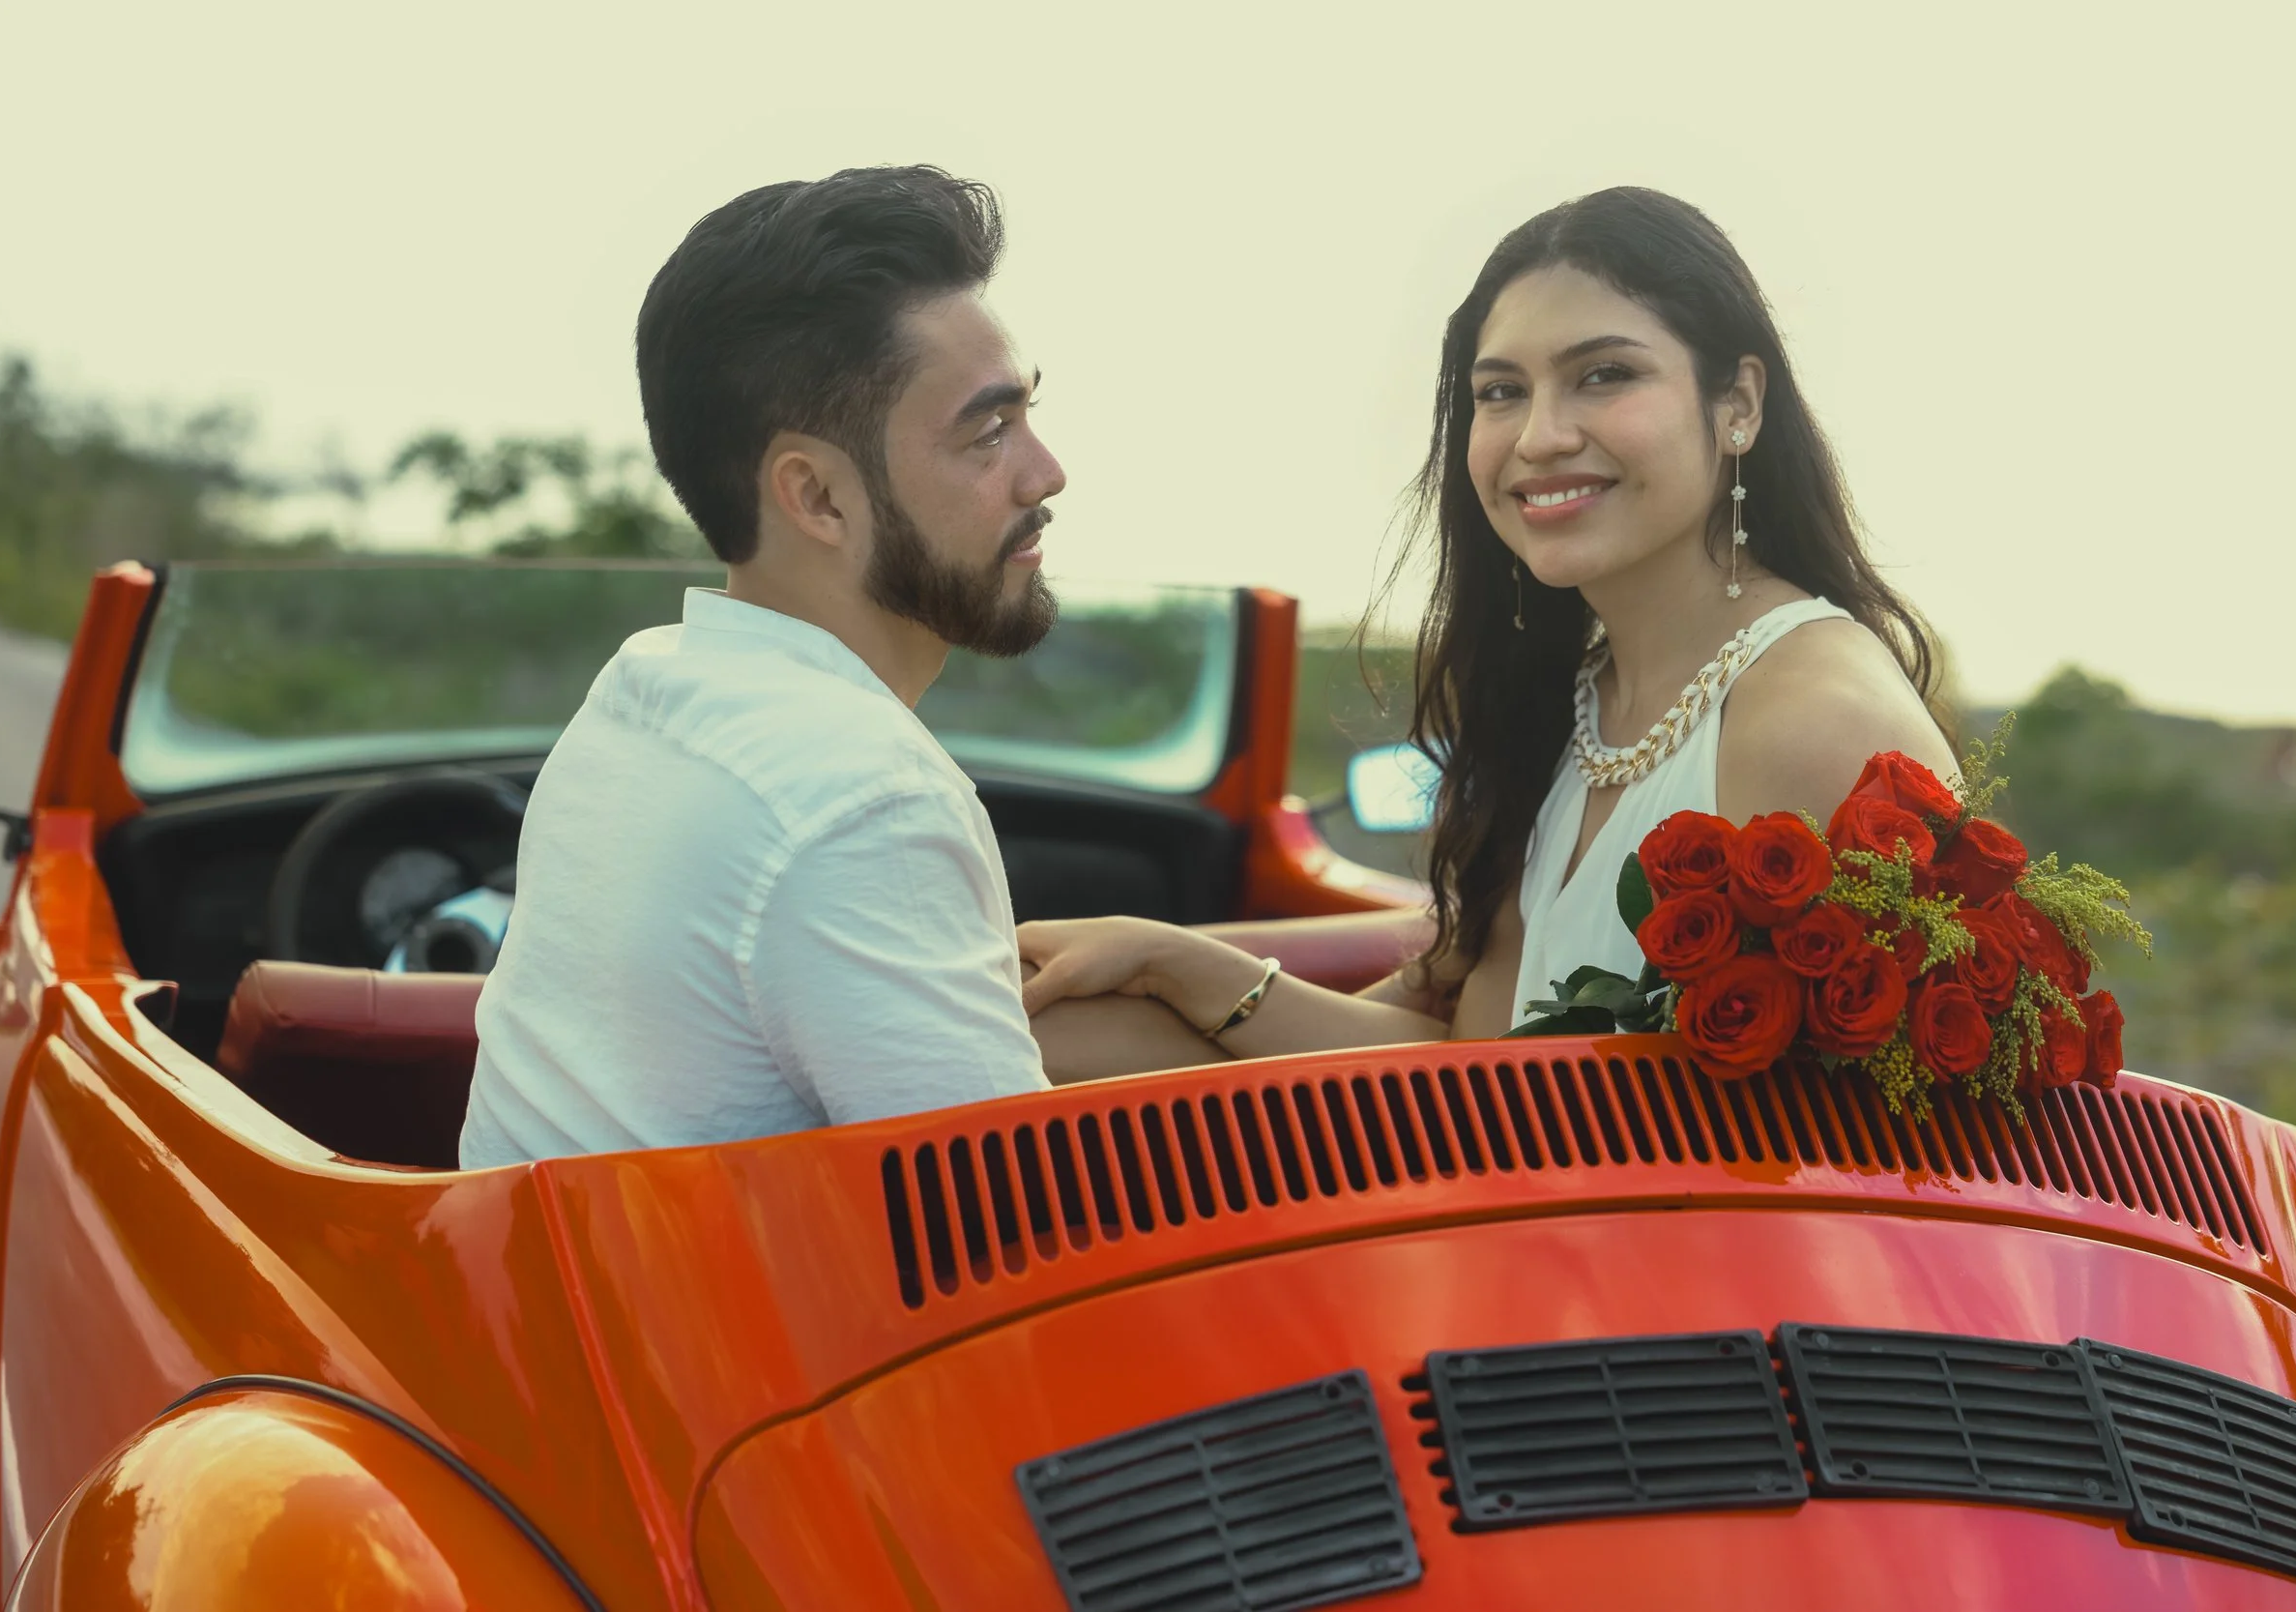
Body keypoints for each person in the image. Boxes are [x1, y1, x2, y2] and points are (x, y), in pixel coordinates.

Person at [1019, 186, 1957, 1075]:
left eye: (1603, 375)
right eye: (1501, 391)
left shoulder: (1813, 719)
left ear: (1738, 404)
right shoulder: (1575, 693)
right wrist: (1172, 960)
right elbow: (1474, 1066)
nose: (1539, 435)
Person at [459, 166, 1064, 1167]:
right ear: (817, 496)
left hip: (553, 1310)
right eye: (988, 431)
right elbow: (1030, 1241)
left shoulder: (641, 696)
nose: (1045, 472)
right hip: (691, 1327)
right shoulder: (865, 798)